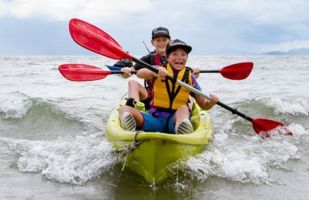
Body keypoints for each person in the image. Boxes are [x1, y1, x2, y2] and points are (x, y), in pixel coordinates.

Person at [119, 39, 218, 134]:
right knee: (124, 109)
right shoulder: (158, 69)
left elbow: (203, 105)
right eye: (175, 54)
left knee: (184, 108)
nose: (179, 57)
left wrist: (211, 103)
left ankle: (182, 130)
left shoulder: (190, 78)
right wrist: (155, 72)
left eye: (183, 54)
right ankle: (130, 132)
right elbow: (140, 73)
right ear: (167, 57)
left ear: (187, 58)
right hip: (155, 120)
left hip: (175, 121)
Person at [119, 27, 171, 109]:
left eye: (164, 40)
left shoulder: (175, 57)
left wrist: (192, 72)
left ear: (169, 41)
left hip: (171, 97)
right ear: (152, 42)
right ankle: (135, 111)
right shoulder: (147, 58)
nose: (161, 43)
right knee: (132, 83)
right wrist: (126, 71)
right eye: (158, 40)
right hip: (151, 97)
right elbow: (127, 75)